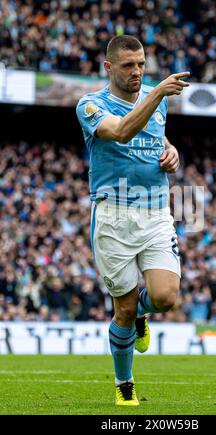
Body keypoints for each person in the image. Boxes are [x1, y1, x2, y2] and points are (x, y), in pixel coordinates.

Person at [76, 35, 189, 406]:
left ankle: (143, 313)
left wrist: (172, 154)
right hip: (114, 216)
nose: (137, 71)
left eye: (141, 64)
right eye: (128, 65)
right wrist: (157, 95)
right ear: (108, 67)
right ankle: (124, 385)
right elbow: (122, 131)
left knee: (165, 297)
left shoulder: (156, 103)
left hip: (155, 211)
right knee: (122, 310)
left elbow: (159, 140)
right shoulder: (91, 105)